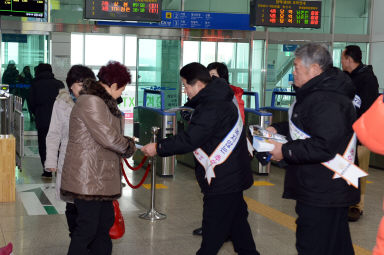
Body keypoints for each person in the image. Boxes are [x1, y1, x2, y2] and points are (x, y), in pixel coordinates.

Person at [142, 62, 259, 255]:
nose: (185, 90)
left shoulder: (212, 105)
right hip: (232, 177)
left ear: (198, 84)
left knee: (211, 237)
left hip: (223, 180)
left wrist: (158, 147)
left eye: (186, 85)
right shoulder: (219, 97)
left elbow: (191, 139)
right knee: (239, 228)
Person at [267, 43, 360, 255]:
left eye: (297, 67)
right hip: (325, 186)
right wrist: (277, 128)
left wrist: (285, 151)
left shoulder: (329, 99)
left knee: (313, 245)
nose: (293, 72)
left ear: (315, 69)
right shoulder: (318, 93)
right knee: (336, 245)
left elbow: (324, 145)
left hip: (322, 190)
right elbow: (307, 126)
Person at [60, 61, 136, 255]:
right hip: (88, 177)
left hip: (99, 176)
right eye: (122, 89)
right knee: (87, 229)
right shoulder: (91, 101)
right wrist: (129, 145)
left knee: (103, 227)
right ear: (113, 85)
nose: (122, 94)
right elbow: (108, 137)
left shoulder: (102, 101)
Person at [191, 62, 246, 237]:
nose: (210, 80)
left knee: (225, 207)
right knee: (237, 217)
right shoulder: (210, 99)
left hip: (226, 159)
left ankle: (216, 231)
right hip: (218, 164)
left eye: (213, 76)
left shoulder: (229, 98)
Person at [45, 65, 96, 237]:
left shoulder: (95, 102)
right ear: (71, 85)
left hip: (91, 160)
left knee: (88, 204)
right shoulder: (61, 103)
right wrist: (51, 161)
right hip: (69, 158)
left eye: (86, 84)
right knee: (72, 203)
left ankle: (83, 240)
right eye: (80, 84)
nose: (83, 88)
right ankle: (76, 237)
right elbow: (53, 133)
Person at [341, 45, 380, 222]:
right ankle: (348, 200)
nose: (341, 61)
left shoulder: (368, 79)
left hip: (363, 132)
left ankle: (357, 205)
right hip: (346, 131)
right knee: (348, 166)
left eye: (343, 58)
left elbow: (369, 108)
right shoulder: (346, 77)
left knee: (360, 167)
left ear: (349, 59)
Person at [29, 63, 65, 178]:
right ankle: (59, 169)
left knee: (43, 144)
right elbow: (65, 101)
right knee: (58, 143)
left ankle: (47, 171)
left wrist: (36, 113)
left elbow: (31, 103)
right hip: (59, 119)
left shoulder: (35, 84)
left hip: (42, 119)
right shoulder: (59, 84)